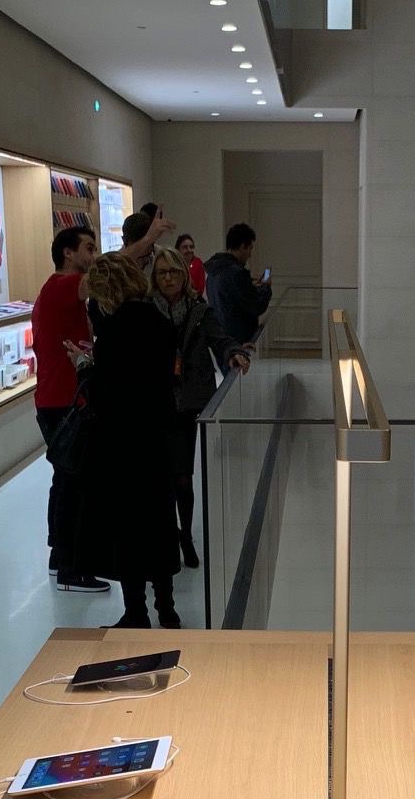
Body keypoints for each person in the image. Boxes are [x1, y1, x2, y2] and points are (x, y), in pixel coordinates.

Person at [81, 255, 181, 628]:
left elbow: (107, 394)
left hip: (121, 443)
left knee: (127, 528)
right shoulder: (160, 322)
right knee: (158, 522)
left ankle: (135, 611)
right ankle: (167, 608)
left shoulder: (113, 330)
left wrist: (85, 369)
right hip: (156, 438)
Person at [149, 246, 250, 568]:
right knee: (159, 476)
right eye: (162, 272)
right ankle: (166, 536)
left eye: (174, 272)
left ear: (184, 275)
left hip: (188, 401)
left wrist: (233, 352)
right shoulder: (144, 311)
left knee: (182, 476)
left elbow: (219, 339)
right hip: (154, 402)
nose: (168, 278)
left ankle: (186, 537)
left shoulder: (198, 310)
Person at [31, 225, 108, 591]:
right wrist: (143, 242)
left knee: (66, 480)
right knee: (74, 483)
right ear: (67, 253)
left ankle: (60, 558)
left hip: (59, 400)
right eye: (88, 248)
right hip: (63, 402)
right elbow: (104, 277)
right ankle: (69, 568)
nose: (94, 255)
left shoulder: (61, 293)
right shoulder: (62, 286)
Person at [204, 222, 272, 347]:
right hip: (238, 341)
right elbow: (256, 306)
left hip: (221, 340)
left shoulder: (214, 269)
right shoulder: (237, 273)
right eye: (250, 248)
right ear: (242, 246)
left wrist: (250, 286)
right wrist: (265, 287)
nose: (250, 254)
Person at [175, 232, 207, 298]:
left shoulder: (198, 263)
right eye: (185, 247)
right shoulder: (172, 264)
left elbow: (199, 289)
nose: (189, 250)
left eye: (191, 247)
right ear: (177, 250)